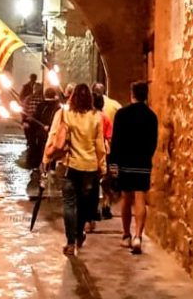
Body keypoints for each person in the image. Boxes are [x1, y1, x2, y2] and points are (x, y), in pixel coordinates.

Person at [43, 83, 105, 257]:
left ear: (73, 97)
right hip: (90, 167)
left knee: (70, 204)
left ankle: (71, 242)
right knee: (84, 204)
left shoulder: (64, 114)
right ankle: (79, 235)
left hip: (70, 165)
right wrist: (103, 167)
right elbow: (99, 145)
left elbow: (54, 138)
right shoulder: (96, 117)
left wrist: (46, 158)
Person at [109, 81, 159, 254]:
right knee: (140, 198)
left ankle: (126, 235)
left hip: (125, 163)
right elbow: (153, 142)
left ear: (132, 94)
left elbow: (115, 141)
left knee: (126, 199)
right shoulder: (151, 117)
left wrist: (114, 163)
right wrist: (147, 157)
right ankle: (138, 236)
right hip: (143, 163)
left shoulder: (122, 114)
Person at [92, 93, 116, 230]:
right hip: (105, 152)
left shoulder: (92, 117)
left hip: (91, 152)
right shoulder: (106, 118)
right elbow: (110, 137)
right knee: (106, 181)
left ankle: (93, 209)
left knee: (93, 182)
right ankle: (106, 206)